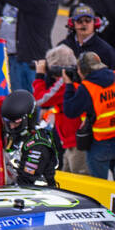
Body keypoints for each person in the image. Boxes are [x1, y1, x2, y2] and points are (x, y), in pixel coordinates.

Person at [63, 52, 115, 179]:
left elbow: (70, 111)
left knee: (98, 185)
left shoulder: (87, 88)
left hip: (100, 142)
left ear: (82, 70)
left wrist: (69, 85)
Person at [0, 89, 62, 187]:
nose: (11, 126)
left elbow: (26, 181)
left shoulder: (38, 144)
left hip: (39, 194)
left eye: (16, 122)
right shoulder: (9, 131)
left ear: (29, 118)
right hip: (17, 190)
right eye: (8, 121)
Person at [34, 45, 86, 173]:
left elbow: (41, 99)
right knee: (67, 179)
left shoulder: (64, 84)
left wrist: (39, 76)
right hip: (71, 141)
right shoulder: (73, 80)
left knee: (79, 182)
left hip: (76, 142)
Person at [60, 4, 115, 77]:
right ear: (72, 24)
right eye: (79, 21)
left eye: (88, 20)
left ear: (95, 23)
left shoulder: (106, 50)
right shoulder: (63, 46)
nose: (84, 24)